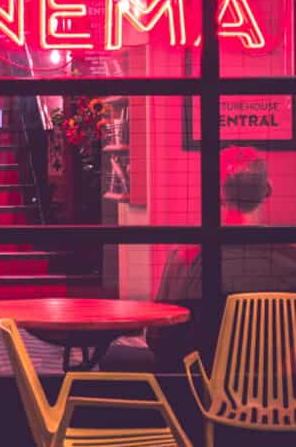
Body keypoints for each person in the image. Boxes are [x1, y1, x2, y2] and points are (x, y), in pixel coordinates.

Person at [103, 147, 296, 371]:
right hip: (271, 390)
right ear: (268, 189)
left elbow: (160, 337)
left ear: (217, 194)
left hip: (197, 383)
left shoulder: (186, 257)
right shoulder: (289, 260)